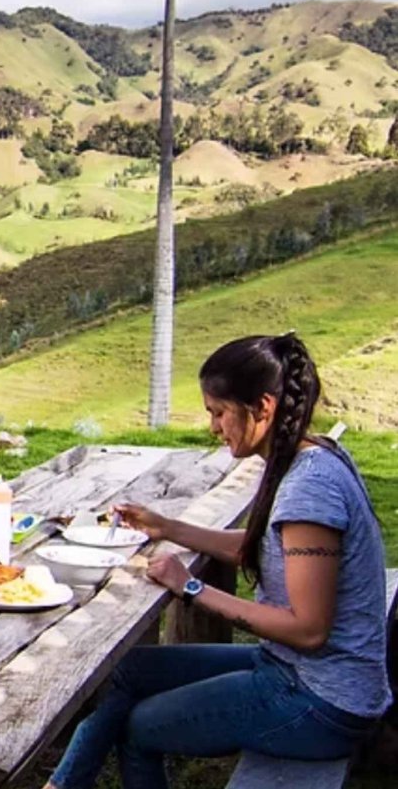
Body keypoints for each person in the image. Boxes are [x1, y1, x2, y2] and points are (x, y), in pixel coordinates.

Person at [45, 334, 390, 789]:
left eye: (219, 412)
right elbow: (265, 546)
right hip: (293, 669)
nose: (213, 426)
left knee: (140, 727)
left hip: (322, 700)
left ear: (262, 407)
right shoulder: (311, 453)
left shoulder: (310, 488)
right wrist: (168, 528)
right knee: (129, 669)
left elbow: (308, 630)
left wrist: (192, 587)